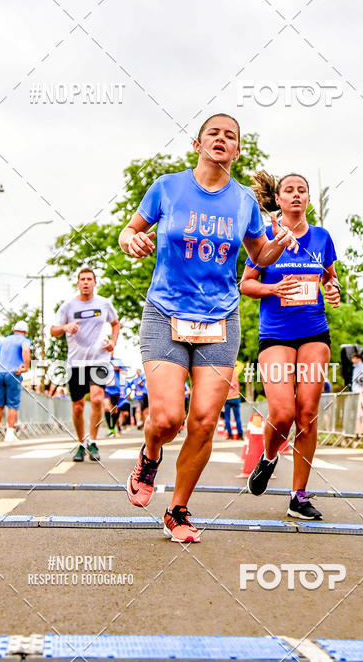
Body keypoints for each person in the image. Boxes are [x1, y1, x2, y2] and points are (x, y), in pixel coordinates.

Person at [119, 113, 298, 543]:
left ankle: (178, 509)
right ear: (197, 143)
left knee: (202, 421)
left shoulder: (244, 202)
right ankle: (150, 453)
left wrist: (272, 251)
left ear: (237, 150)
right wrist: (132, 241)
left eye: (230, 136)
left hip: (219, 318)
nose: (222, 139)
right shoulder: (167, 186)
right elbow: (130, 231)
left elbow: (258, 254)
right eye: (213, 133)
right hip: (165, 311)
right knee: (167, 417)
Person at [240, 171, 340, 522]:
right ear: (278, 199)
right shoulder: (266, 237)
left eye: (302, 191)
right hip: (276, 335)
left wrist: (333, 290)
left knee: (307, 415)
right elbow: (246, 284)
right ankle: (268, 458)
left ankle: (298, 496)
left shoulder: (322, 237)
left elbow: (329, 277)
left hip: (314, 331)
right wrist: (273, 290)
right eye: (289, 191)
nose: (296, 195)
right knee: (282, 414)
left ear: (308, 199)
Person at [50, 267, 120, 461]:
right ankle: (81, 443)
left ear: (95, 282)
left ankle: (94, 442)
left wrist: (113, 342)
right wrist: (65, 327)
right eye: (82, 279)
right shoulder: (67, 307)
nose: (86, 282)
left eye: (89, 279)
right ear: (78, 283)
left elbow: (115, 323)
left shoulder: (104, 304)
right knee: (78, 406)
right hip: (76, 362)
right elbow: (53, 330)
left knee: (97, 398)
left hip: (99, 360)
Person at [0, 321, 31, 442]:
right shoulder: (24, 340)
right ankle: (9, 432)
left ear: (14, 330)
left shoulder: (4, 340)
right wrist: (26, 366)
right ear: (25, 332)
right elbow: (26, 351)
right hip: (14, 372)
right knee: (13, 404)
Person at [224, 368, 243, 440]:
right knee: (237, 417)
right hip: (235, 398)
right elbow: (241, 364)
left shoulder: (224, 374)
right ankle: (240, 435)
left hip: (227, 399)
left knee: (227, 418)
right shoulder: (235, 372)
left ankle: (229, 435)